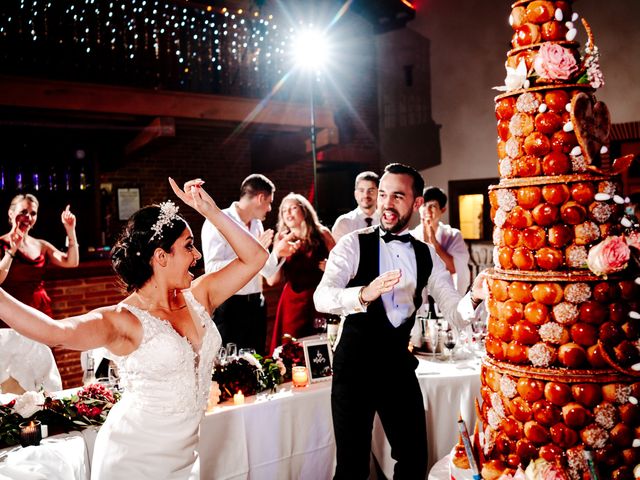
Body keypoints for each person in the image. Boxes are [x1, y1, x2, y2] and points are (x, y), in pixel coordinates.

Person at [0, 178, 268, 479]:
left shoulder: (200, 295)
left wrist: (211, 211)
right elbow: (54, 331)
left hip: (186, 458)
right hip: (133, 458)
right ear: (161, 256)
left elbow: (257, 257)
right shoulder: (122, 320)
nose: (198, 256)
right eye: (189, 247)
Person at [314, 163, 485, 479]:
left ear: (417, 203)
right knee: (352, 466)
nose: (386, 204)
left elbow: (454, 312)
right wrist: (363, 294)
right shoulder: (353, 244)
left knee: (414, 459)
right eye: (382, 194)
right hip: (354, 366)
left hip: (397, 365)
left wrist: (473, 296)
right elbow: (321, 297)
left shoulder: (426, 255)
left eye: (397, 196)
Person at [201, 174, 292, 354]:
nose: (270, 208)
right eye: (269, 202)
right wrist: (252, 251)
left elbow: (264, 270)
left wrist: (278, 253)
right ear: (260, 198)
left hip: (256, 304)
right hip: (230, 306)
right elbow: (211, 269)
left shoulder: (257, 224)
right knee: (230, 367)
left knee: (256, 360)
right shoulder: (218, 221)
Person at [267, 193, 335, 353]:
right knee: (292, 349)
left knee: (320, 347)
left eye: (293, 208)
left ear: (304, 210)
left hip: (319, 300)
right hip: (293, 303)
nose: (288, 213)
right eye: (284, 211)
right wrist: (279, 253)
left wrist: (330, 268)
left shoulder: (322, 233)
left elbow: (341, 267)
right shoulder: (281, 238)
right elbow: (272, 280)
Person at [0, 194, 79, 326]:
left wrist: (70, 230)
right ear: (11, 213)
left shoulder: (41, 245)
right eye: (23, 212)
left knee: (42, 347)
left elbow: (71, 262)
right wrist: (12, 250)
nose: (28, 217)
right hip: (11, 313)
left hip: (39, 311)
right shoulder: (1, 243)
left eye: (33, 213)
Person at [411, 186, 470, 294]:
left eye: (432, 206)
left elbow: (456, 269)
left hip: (445, 293)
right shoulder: (411, 236)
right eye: (424, 205)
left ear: (442, 210)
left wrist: (435, 244)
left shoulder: (453, 235)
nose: (427, 211)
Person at [331, 171, 380, 241]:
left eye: (371, 190)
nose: (366, 195)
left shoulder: (387, 222)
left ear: (379, 193)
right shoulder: (343, 223)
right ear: (355, 194)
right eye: (361, 190)